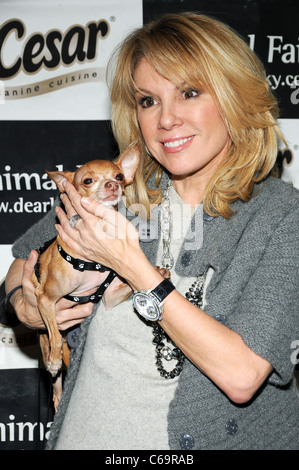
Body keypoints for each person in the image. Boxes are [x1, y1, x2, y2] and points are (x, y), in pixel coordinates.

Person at [5, 12, 299, 450]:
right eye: (148, 100)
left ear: (235, 96)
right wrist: (24, 303)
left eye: (189, 92)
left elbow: (242, 376)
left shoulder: (281, 216)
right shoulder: (114, 193)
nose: (166, 119)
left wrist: (134, 267)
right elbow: (19, 263)